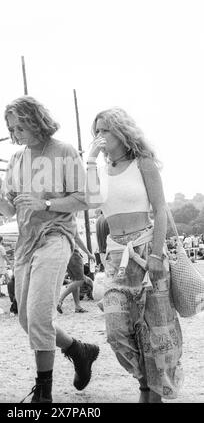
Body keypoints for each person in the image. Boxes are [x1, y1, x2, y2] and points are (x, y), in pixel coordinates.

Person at [0, 96, 99, 403]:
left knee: (38, 316)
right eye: (10, 128)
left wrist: (46, 203)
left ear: (34, 120)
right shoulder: (15, 160)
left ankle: (44, 392)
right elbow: (11, 212)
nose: (14, 133)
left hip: (56, 235)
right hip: (26, 242)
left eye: (19, 126)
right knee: (26, 319)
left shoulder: (63, 152)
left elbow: (84, 198)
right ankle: (78, 349)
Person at [85, 107, 183, 403]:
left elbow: (161, 209)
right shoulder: (100, 170)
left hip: (146, 249)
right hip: (117, 257)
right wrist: (89, 160)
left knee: (157, 327)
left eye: (105, 130)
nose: (99, 137)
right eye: (96, 131)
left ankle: (153, 392)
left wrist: (156, 254)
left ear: (121, 132)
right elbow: (90, 203)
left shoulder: (143, 163)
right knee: (116, 331)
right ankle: (145, 381)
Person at [57, 229, 95, 314]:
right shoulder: (70, 221)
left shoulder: (61, 222)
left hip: (66, 252)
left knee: (75, 280)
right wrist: (88, 253)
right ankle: (60, 300)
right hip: (74, 252)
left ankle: (78, 306)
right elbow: (77, 238)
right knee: (80, 280)